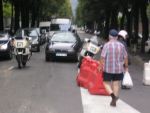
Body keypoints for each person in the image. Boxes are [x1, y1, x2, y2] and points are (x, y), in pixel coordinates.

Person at [98, 29, 128, 107]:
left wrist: (100, 66)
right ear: (117, 37)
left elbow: (102, 57)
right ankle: (114, 100)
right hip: (119, 69)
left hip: (108, 69)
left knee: (105, 83)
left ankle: (112, 96)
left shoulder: (106, 45)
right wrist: (126, 67)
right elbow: (125, 57)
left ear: (109, 36)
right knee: (116, 84)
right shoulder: (121, 45)